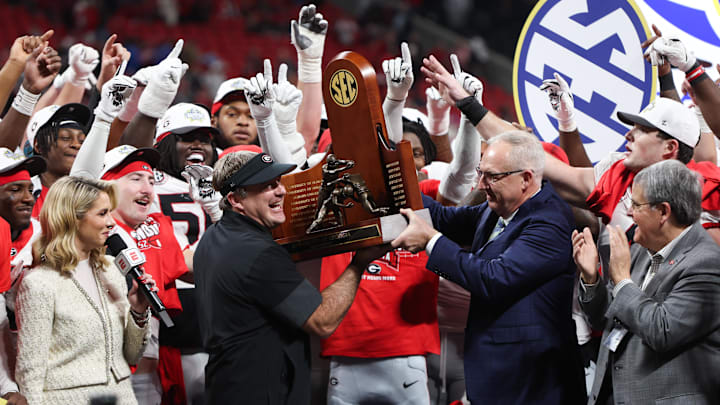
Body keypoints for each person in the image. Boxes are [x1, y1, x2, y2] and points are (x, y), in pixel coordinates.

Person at [392, 131, 585, 404]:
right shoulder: (499, 206)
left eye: (491, 176)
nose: (481, 184)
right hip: (499, 374)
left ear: (526, 179)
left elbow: (493, 279)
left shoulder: (549, 222)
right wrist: (396, 185)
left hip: (533, 381)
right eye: (480, 172)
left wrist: (430, 241)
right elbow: (446, 218)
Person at [193, 150, 388, 404]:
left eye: (277, 182)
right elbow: (323, 321)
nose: (281, 191)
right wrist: (360, 262)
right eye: (266, 186)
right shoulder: (259, 253)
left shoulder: (212, 237)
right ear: (235, 199)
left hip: (227, 384)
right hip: (261, 391)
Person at [574, 160, 720, 404]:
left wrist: (622, 280)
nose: (629, 212)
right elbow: (606, 316)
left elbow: (662, 331)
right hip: (614, 393)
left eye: (636, 204)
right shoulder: (643, 248)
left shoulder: (706, 264)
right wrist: (591, 279)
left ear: (663, 211)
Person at [14, 176, 153, 404]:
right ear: (72, 219)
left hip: (122, 396)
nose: (112, 222)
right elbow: (30, 371)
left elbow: (131, 355)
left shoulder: (111, 271)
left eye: (111, 212)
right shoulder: (39, 283)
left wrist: (138, 312)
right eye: (102, 214)